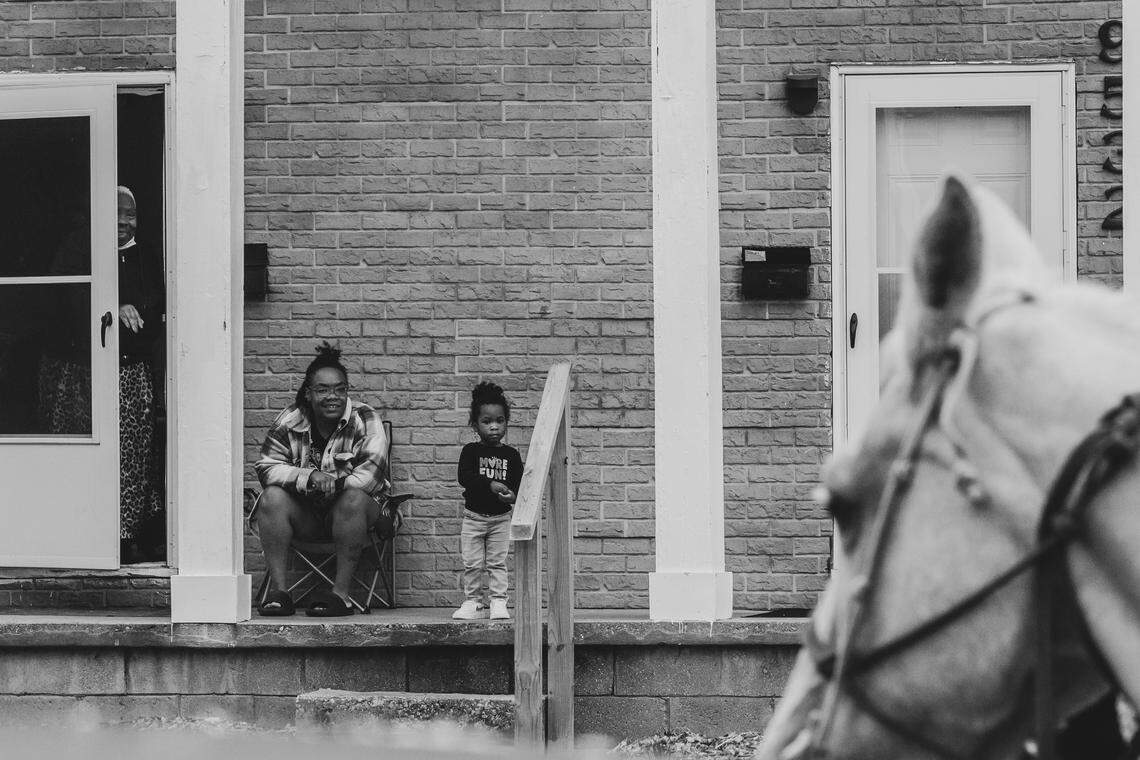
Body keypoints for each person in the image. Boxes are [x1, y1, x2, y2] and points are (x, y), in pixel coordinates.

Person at [253, 342, 390, 617]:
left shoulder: (364, 418)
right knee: (270, 498)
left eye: (340, 389)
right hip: (308, 515)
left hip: (357, 515)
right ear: (309, 392)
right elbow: (266, 467)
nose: (333, 396)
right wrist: (309, 477)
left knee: (352, 498)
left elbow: (370, 477)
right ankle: (280, 594)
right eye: (323, 390)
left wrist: (331, 483)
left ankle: (341, 596)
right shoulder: (291, 419)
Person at [116, 186, 166, 563]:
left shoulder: (146, 255)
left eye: (130, 215)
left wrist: (133, 305)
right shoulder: (86, 251)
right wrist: (112, 303)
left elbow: (157, 301)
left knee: (136, 457)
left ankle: (131, 534)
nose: (123, 221)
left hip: (132, 370)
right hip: (92, 372)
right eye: (116, 213)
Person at [453, 381, 523, 621]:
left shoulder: (511, 455)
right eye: (487, 421)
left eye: (500, 421)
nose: (494, 427)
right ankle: (473, 602)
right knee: (472, 562)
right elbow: (465, 477)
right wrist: (490, 484)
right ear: (475, 424)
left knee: (497, 562)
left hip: (500, 519)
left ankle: (498, 601)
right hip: (473, 518)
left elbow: (518, 484)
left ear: (506, 421)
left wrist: (513, 496)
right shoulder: (471, 451)